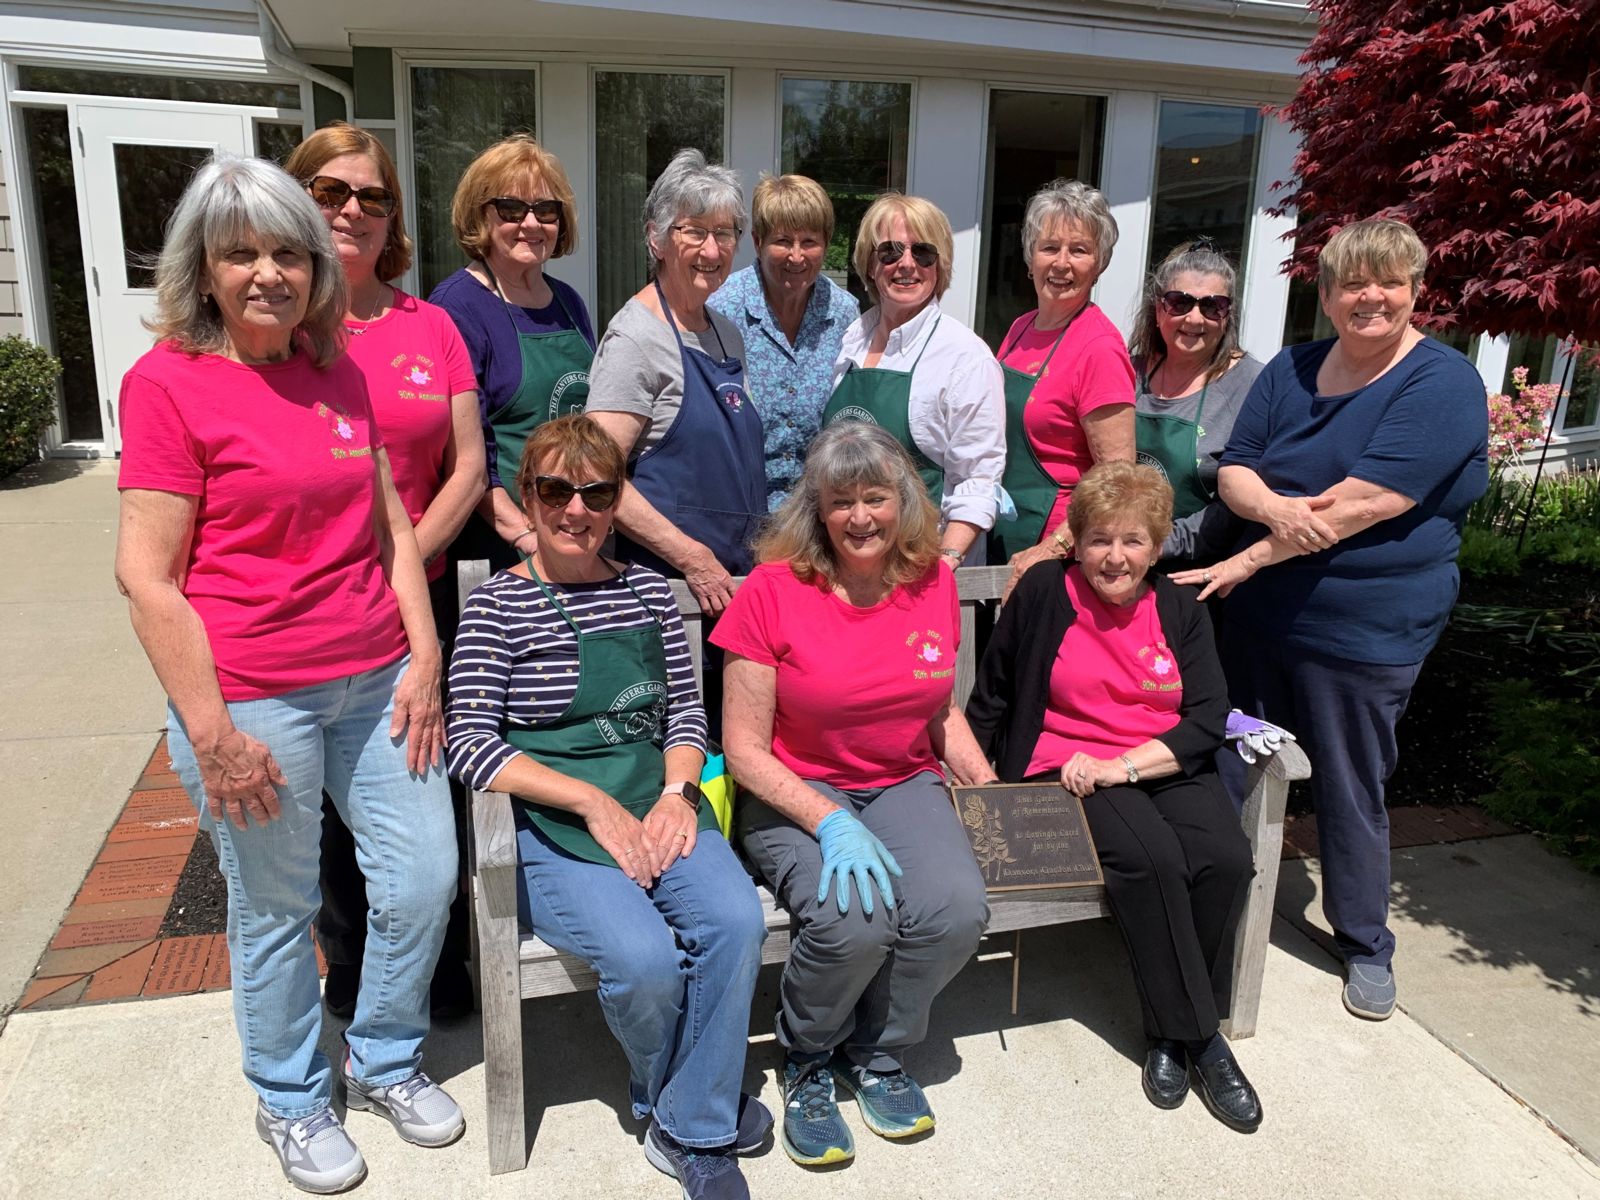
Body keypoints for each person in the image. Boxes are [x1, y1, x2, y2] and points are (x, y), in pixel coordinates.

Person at [114, 152, 461, 1195]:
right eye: (240, 254)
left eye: (285, 253)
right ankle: (292, 1097)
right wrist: (212, 732)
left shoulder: (339, 370)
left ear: (316, 266)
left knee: (423, 880)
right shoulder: (169, 383)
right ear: (203, 270)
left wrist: (425, 653)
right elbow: (147, 578)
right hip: (255, 697)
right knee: (275, 911)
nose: (266, 273)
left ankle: (387, 1058)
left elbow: (393, 524)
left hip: (375, 680)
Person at [1171, 218, 1489, 1021]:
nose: (1369, 297)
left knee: (1350, 782)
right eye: (1352, 282)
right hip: (1259, 622)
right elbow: (1236, 470)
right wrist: (1277, 509)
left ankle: (1363, 940)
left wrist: (1248, 557)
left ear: (1417, 289)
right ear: (1329, 291)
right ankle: (1215, 905)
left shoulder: (1441, 383)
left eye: (1388, 282)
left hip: (1363, 628)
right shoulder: (1295, 368)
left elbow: (1368, 502)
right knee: (1233, 760)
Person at [446, 416, 767, 1200]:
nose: (576, 510)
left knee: (735, 921)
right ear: (528, 496)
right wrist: (589, 800)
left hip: (657, 804)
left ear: (618, 501)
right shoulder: (496, 609)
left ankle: (686, 1125)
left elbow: (686, 719)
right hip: (557, 830)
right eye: (555, 490)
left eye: (596, 492)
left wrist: (675, 795)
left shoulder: (648, 594)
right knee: (644, 962)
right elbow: (470, 743)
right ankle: (693, 1107)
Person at [714, 421, 993, 1167]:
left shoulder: (931, 578)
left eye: (876, 497)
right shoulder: (773, 591)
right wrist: (829, 819)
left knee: (954, 909)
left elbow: (937, 708)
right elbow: (742, 749)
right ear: (818, 510)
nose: (861, 517)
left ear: (903, 502)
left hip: (901, 777)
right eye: (843, 502)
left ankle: (877, 1050)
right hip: (794, 787)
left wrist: (983, 779)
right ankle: (805, 1053)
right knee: (853, 920)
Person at [966, 462, 1262, 1134]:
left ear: (1156, 548)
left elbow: (1207, 716)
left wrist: (1123, 767)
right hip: (1064, 766)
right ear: (1078, 542)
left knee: (1223, 859)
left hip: (1152, 763)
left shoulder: (1181, 609)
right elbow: (996, 691)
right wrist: (974, 778)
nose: (1115, 557)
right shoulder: (1045, 590)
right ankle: (1201, 1041)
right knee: (1151, 857)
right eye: (1100, 539)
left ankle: (1168, 1030)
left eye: (1133, 541)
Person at [284, 121, 485, 1023]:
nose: (353, 211)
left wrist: (413, 563)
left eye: (372, 196)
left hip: (420, 594)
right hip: (316, 603)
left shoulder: (430, 325)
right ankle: (354, 967)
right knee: (331, 813)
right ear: (299, 200)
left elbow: (468, 466)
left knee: (423, 784)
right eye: (331, 193)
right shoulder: (278, 329)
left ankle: (438, 971)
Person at [587, 148, 763, 612]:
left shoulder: (726, 333)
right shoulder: (635, 338)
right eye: (695, 232)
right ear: (657, 239)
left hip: (733, 586)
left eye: (724, 233)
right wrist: (691, 556)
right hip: (668, 593)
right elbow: (595, 473)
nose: (711, 250)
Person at [431, 134, 595, 572]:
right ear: (479, 215)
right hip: (502, 544)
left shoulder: (569, 302)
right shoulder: (457, 306)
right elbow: (466, 451)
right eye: (510, 209)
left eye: (546, 210)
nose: (531, 223)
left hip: (573, 529)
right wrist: (524, 533)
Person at [827, 193, 1006, 568]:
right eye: (890, 252)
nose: (906, 264)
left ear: (939, 266)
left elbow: (979, 479)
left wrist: (946, 562)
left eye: (923, 253)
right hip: (848, 564)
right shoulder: (853, 337)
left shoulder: (965, 358)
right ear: (869, 264)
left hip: (921, 566)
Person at [991, 180, 1135, 582]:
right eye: (1050, 247)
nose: (1061, 263)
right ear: (1029, 257)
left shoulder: (1100, 348)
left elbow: (1117, 476)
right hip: (1005, 525)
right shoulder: (1021, 328)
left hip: (1056, 550)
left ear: (1100, 263)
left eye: (1080, 250)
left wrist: (1052, 549)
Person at [709, 173, 860, 510]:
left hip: (819, 513)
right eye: (782, 241)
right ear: (757, 240)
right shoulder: (721, 309)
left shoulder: (844, 312)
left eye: (809, 241)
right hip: (738, 507)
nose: (796, 256)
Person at [1128, 241, 1263, 569]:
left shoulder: (1252, 384)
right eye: (1179, 302)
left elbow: (1240, 504)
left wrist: (1159, 546)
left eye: (1212, 306)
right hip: (1116, 563)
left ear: (1227, 315)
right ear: (1159, 309)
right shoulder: (1128, 372)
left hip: (1196, 576)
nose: (1194, 318)